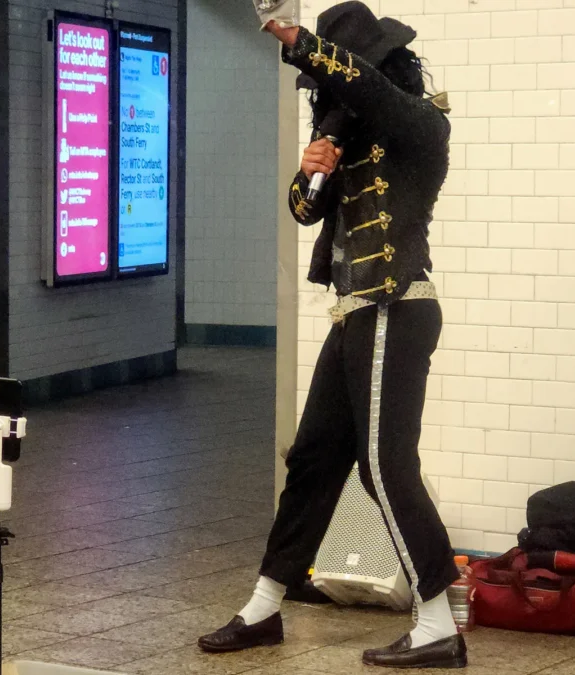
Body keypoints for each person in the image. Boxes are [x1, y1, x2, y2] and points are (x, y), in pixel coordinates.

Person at [197, 1, 466, 670]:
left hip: (395, 305)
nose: (331, 95)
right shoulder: (346, 140)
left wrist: (296, 38)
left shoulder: (418, 122)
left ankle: (437, 621)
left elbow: (367, 88)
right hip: (354, 313)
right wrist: (310, 167)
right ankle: (263, 606)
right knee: (314, 458)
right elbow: (303, 210)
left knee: (383, 464)